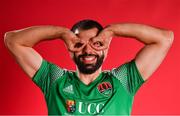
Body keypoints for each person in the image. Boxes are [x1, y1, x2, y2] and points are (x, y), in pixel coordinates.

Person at [4, 19, 174, 115]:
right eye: (79, 44)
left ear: (106, 48)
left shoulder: (123, 80)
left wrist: (113, 31)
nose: (87, 50)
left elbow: (164, 39)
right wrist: (62, 33)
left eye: (96, 44)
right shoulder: (55, 80)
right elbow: (12, 40)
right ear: (70, 50)